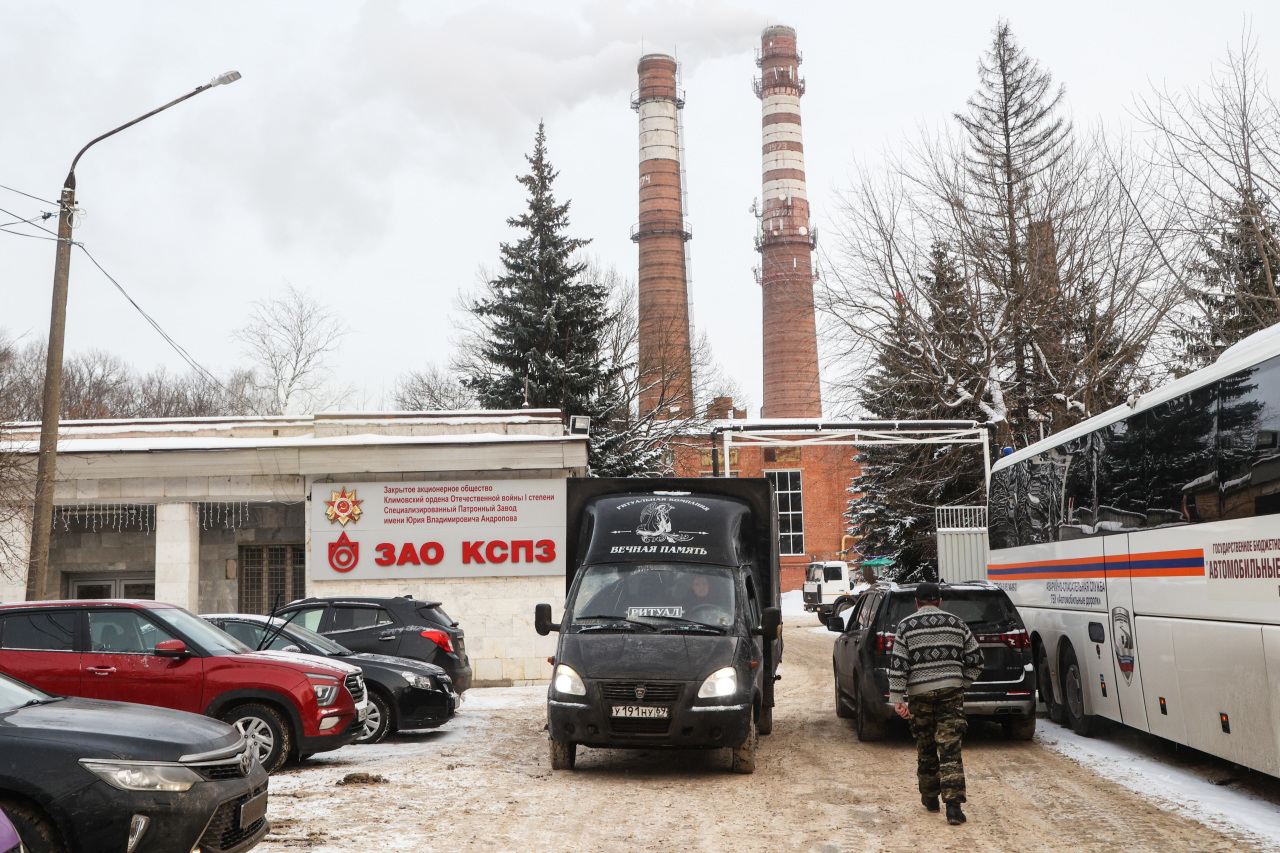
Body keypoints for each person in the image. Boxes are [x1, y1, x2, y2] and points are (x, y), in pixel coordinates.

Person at [887, 582, 984, 826]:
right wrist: (962, 682)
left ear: (917, 602)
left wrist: (898, 699)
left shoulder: (906, 626)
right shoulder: (957, 623)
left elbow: (899, 666)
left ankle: (930, 798)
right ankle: (953, 808)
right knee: (950, 747)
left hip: (919, 694)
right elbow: (976, 659)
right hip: (951, 692)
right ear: (939, 601)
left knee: (926, 743)